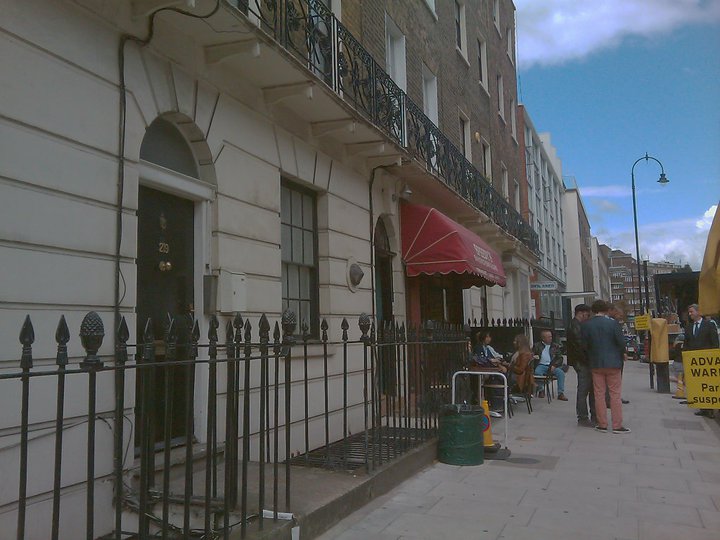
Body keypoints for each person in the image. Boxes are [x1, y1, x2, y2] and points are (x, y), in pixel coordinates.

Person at [581, 299, 630, 433]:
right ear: (606, 310)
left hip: (596, 363)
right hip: (613, 363)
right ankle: (617, 425)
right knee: (615, 394)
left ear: (593, 310)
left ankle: (602, 424)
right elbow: (621, 342)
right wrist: (622, 354)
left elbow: (584, 346)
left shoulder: (586, 325)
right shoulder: (613, 324)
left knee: (599, 394)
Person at [683, 304, 720, 417]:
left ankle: (710, 409)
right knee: (698, 385)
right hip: (694, 363)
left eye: (691, 312)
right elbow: (686, 344)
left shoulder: (709, 325)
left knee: (708, 385)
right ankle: (703, 408)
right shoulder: (689, 327)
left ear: (698, 312)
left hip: (707, 362)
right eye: (689, 312)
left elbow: (715, 343)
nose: (690, 314)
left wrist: (714, 358)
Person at [567, 303, 594, 426]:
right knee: (583, 389)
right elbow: (579, 346)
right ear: (581, 313)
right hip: (581, 362)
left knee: (585, 389)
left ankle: (586, 416)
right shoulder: (576, 326)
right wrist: (587, 360)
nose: (587, 317)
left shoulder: (575, 325)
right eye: (587, 315)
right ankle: (582, 417)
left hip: (579, 361)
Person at [532, 329, 568, 401]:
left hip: (552, 365)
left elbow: (560, 358)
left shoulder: (555, 346)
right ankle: (541, 390)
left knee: (561, 373)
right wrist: (534, 357)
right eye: (548, 337)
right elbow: (532, 355)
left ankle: (560, 393)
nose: (550, 338)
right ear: (543, 338)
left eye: (551, 336)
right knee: (537, 372)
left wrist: (555, 365)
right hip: (541, 365)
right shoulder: (537, 346)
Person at [607, 303, 630, 405]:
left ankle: (614, 397)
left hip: (612, 355)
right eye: (619, 314)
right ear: (612, 311)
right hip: (615, 355)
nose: (620, 317)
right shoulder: (613, 324)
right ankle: (614, 398)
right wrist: (623, 352)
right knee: (615, 379)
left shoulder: (614, 323)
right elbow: (619, 340)